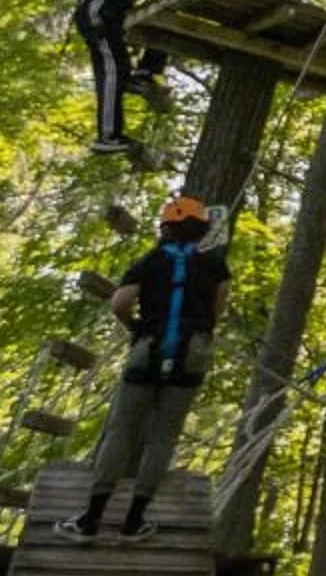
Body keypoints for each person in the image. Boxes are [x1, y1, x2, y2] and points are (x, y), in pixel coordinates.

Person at [54, 192, 232, 542]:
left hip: (147, 348)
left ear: (167, 227)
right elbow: (219, 305)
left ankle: (91, 519)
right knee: (164, 436)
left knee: (123, 431)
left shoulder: (149, 261)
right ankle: (134, 520)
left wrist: (136, 328)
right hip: (192, 352)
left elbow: (119, 303)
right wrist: (199, 327)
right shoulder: (215, 264)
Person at [75, 0, 256, 154]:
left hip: (111, 12)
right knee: (112, 72)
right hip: (99, 8)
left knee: (159, 32)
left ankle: (141, 76)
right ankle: (108, 136)